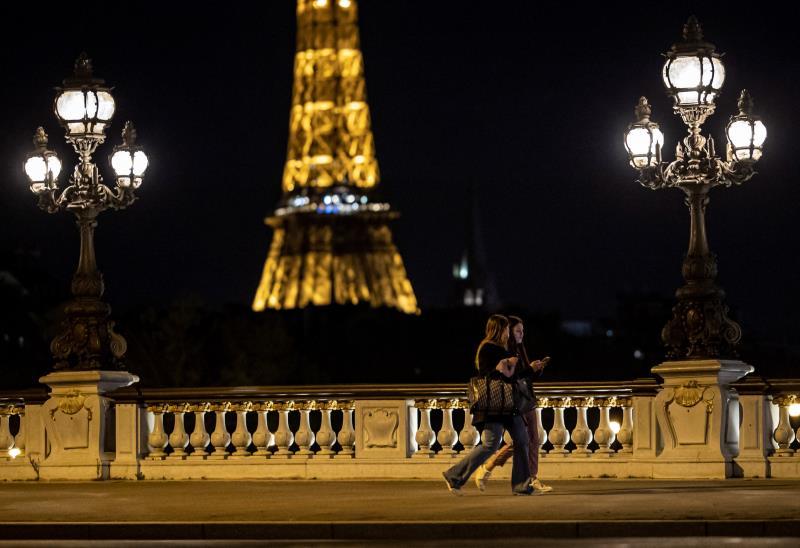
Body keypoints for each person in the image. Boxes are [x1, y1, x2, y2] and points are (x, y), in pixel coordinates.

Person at [442, 314, 534, 495]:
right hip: (495, 405)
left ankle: (522, 485)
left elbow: (515, 376)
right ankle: (455, 475)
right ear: (500, 329)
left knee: (522, 440)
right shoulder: (488, 349)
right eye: (507, 328)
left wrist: (528, 368)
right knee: (491, 444)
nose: (509, 332)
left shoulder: (504, 348)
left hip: (509, 404)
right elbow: (489, 376)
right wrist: (505, 366)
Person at [473, 315, 553, 493]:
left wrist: (536, 369)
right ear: (507, 331)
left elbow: (525, 375)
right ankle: (499, 469)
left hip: (527, 398)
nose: (520, 334)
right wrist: (529, 369)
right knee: (523, 440)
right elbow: (512, 376)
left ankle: (528, 477)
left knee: (530, 439)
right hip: (513, 399)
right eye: (517, 330)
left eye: (522, 331)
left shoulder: (519, 348)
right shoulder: (504, 349)